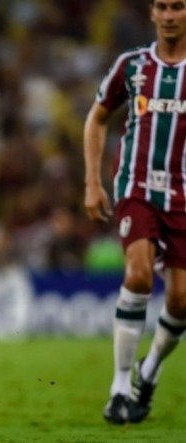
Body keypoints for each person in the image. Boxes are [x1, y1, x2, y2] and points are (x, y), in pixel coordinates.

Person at [84, 0, 186, 425]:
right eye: (161, 6)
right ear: (151, 13)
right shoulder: (132, 65)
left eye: (177, 6)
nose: (169, 15)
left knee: (181, 300)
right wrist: (92, 181)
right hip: (136, 189)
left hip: (183, 195)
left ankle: (149, 371)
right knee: (139, 274)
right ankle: (119, 387)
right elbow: (97, 118)